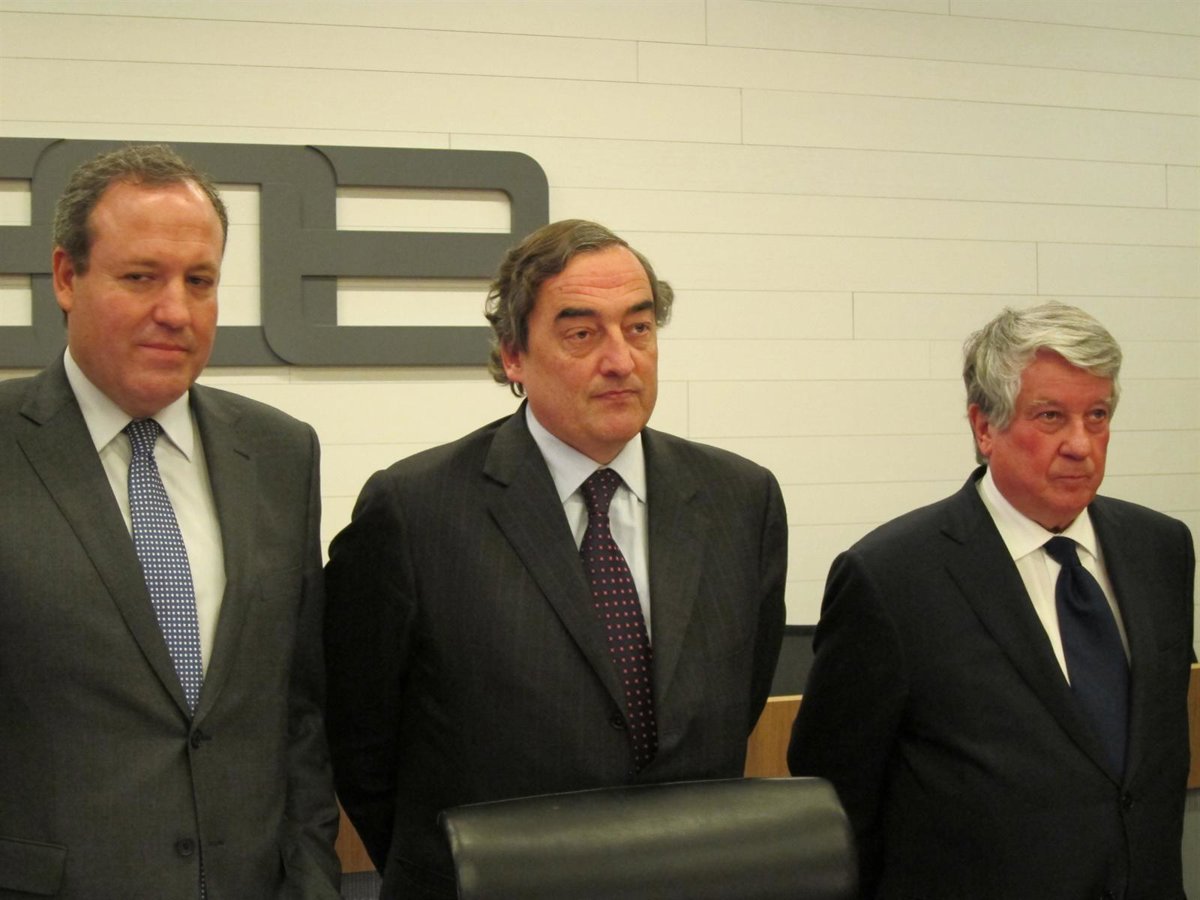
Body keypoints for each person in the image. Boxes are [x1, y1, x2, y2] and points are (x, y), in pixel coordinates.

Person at [324, 218, 787, 899]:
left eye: (638, 327)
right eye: (582, 334)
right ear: (514, 355)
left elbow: (739, 699)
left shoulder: (741, 500)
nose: (621, 360)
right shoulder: (415, 510)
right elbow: (358, 739)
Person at [0, 145, 341, 899]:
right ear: (66, 277)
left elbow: (298, 711)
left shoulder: (280, 453)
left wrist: (312, 879)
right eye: (140, 277)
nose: (175, 312)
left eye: (200, 281)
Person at [789, 302, 1195, 900]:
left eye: (1098, 415)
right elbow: (835, 790)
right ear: (984, 428)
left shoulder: (1160, 548)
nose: (1081, 444)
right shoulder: (892, 576)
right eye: (1051, 416)